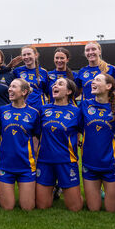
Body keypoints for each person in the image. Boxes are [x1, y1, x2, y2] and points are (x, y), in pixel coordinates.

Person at [35, 77, 83, 211]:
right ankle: (55, 189)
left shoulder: (76, 111)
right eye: (54, 84)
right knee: (42, 206)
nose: (55, 86)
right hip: (44, 161)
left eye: (60, 84)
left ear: (68, 91)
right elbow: (37, 134)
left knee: (75, 208)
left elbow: (81, 132)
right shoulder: (42, 110)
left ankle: (62, 188)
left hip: (66, 161)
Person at [80, 74, 115, 212]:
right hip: (89, 163)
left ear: (108, 86)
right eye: (93, 80)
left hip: (111, 163)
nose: (93, 82)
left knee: (112, 209)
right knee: (94, 208)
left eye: (97, 80)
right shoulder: (84, 105)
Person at [0, 79, 41, 211]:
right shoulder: (2, 110)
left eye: (13, 87)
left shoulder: (34, 113)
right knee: (7, 207)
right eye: (9, 86)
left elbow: (36, 137)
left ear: (24, 92)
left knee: (27, 207)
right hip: (5, 164)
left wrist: (35, 156)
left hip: (26, 165)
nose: (9, 89)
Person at [12, 46, 50, 112]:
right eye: (24, 55)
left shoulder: (43, 72)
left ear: (36, 55)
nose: (26, 57)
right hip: (22, 109)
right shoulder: (17, 71)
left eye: (29, 54)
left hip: (39, 109)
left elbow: (48, 93)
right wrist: (9, 66)